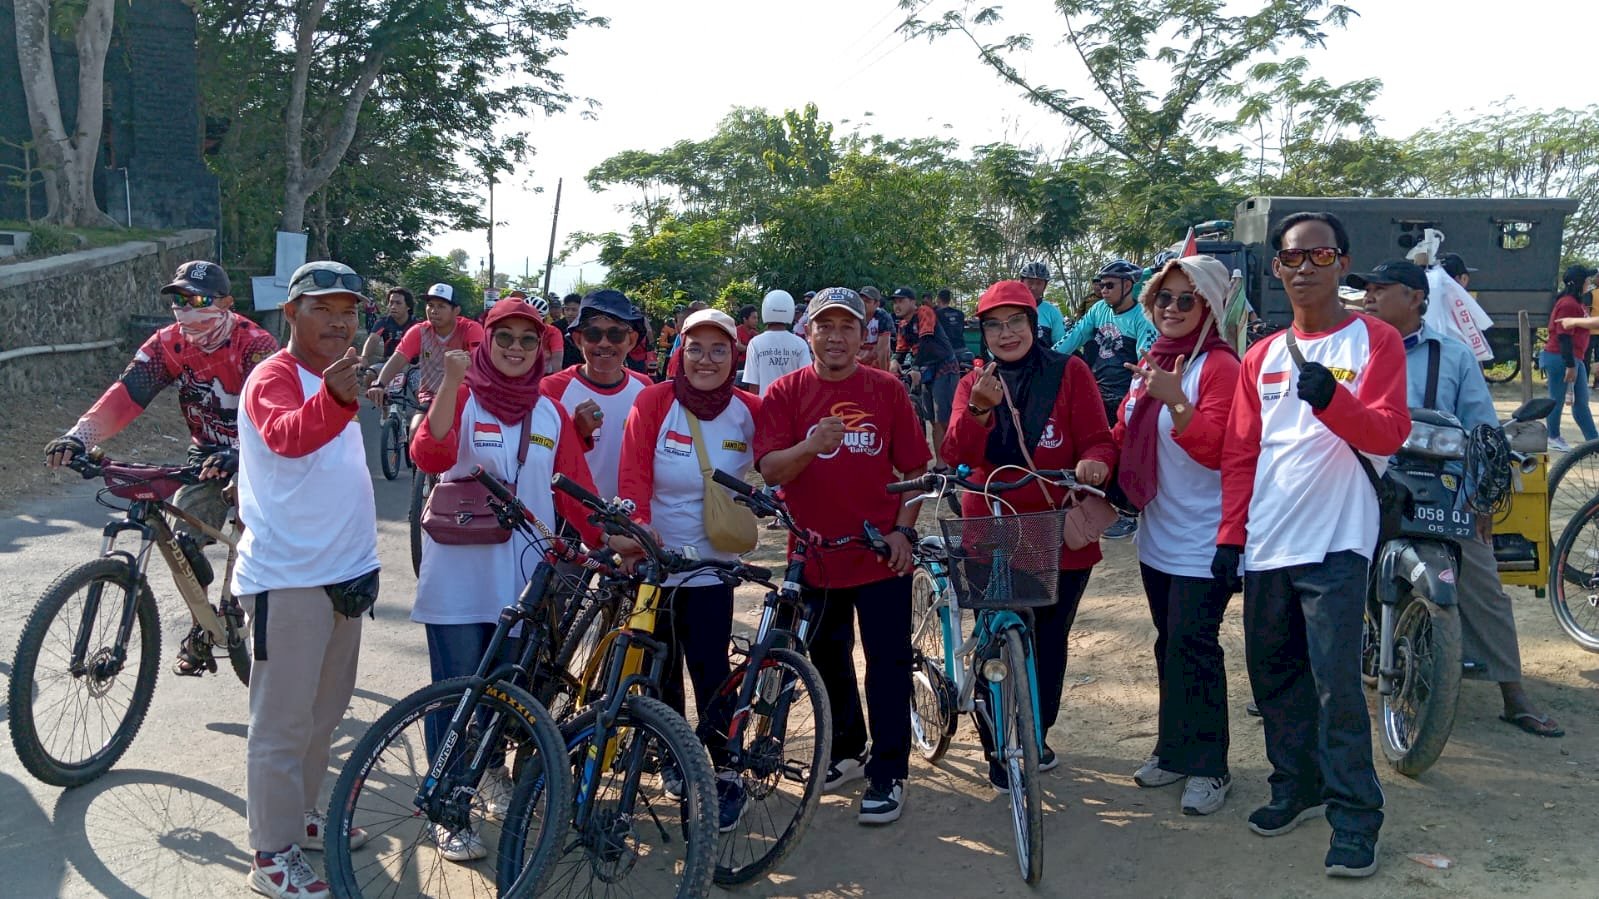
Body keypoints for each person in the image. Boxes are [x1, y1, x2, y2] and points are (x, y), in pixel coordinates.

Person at [1214, 211, 1409, 879]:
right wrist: (1228, 537)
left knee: (1335, 688)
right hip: (1267, 541)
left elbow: (1386, 434)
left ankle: (1355, 816)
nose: (1302, 267)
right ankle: (1294, 784)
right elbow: (1241, 453)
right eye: (1290, 258)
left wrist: (1333, 402)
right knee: (1274, 679)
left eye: (1317, 256)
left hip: (1335, 542)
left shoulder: (1375, 341)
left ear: (1340, 262)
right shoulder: (1259, 357)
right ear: (1275, 269)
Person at [407, 301, 600, 860]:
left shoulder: (550, 413)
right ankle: (445, 807)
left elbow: (573, 491)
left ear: (541, 348)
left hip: (522, 582)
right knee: (455, 695)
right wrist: (449, 381)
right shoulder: (463, 395)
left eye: (526, 340)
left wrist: (613, 539)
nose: (515, 349)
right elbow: (430, 452)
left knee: (500, 697)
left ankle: (485, 777)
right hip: (458, 578)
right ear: (485, 341)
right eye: (504, 338)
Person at [1359, 259, 1564, 738]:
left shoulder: (1452, 355)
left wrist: (1478, 500)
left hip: (1438, 488)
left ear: (1415, 298)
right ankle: (1301, 680)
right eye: (1365, 289)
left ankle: (1514, 695)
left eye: (1381, 288)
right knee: (1322, 573)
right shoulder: (1352, 348)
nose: (1369, 296)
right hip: (1364, 485)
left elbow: (1483, 431)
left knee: (1481, 581)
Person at [45, 260, 279, 677]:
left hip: (261, 451)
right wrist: (79, 438)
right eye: (179, 300)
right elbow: (128, 395)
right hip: (205, 455)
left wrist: (246, 452)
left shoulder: (256, 344)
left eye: (200, 299)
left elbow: (275, 410)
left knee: (257, 541)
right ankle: (202, 630)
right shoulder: (169, 343)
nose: (187, 309)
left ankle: (256, 609)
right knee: (183, 546)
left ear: (227, 302)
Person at [754, 287, 930, 826]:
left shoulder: (886, 390)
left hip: (879, 555)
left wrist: (903, 533)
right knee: (827, 660)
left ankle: (889, 770)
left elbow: (916, 475)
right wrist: (811, 444)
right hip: (814, 556)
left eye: (847, 327)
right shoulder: (785, 393)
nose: (835, 337)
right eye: (824, 326)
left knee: (888, 663)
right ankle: (850, 749)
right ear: (807, 333)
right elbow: (772, 471)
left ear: (864, 335)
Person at [233, 261, 379, 899]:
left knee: (324, 715)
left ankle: (303, 818)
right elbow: (288, 438)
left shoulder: (334, 377)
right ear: (290, 314)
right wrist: (339, 399)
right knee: (282, 723)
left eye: (347, 309)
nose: (338, 320)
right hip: (289, 581)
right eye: (322, 307)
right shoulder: (275, 377)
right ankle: (271, 851)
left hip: (345, 576)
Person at [941, 280, 1117, 787]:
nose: (1006, 333)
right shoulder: (972, 381)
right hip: (990, 525)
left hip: (1056, 526)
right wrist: (978, 408)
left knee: (1049, 639)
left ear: (1033, 324)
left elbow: (1099, 441)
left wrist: (1094, 464)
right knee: (996, 640)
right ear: (982, 333)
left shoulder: (1070, 372)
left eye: (1016, 321)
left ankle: (1036, 731)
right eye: (994, 324)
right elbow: (956, 454)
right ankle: (999, 738)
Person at [615, 308, 762, 831]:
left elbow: (781, 463)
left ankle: (722, 771)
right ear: (680, 352)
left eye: (718, 349)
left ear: (734, 356)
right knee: (658, 670)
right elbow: (632, 475)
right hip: (654, 568)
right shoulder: (655, 401)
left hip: (711, 569)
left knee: (710, 671)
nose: (706, 359)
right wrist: (638, 529)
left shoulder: (749, 410)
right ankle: (676, 758)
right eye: (695, 348)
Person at [1109, 256, 1242, 815]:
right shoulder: (1152, 361)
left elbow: (1219, 448)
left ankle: (1211, 766)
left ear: (1209, 306)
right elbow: (1124, 433)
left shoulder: (1219, 367)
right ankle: (1173, 750)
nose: (1172, 308)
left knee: (1195, 645)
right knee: (1170, 644)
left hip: (1205, 539)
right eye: (1164, 298)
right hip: (1158, 536)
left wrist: (1177, 399)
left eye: (1187, 299)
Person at [542, 289, 653, 502]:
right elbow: (539, 460)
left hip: (631, 516)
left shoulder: (645, 389)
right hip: (569, 519)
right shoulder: (551, 390)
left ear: (631, 340)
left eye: (615, 335)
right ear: (577, 339)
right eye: (593, 334)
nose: (604, 343)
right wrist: (576, 434)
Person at [1054, 259, 1160, 428]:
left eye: (1109, 285)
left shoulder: (1143, 317)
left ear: (1127, 286)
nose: (1103, 290)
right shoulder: (1098, 308)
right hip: (1096, 391)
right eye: (1101, 285)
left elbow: (1146, 362)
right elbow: (1074, 336)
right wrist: (1047, 358)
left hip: (1124, 396)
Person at [365, 282, 485, 409]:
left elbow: (481, 364)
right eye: (430, 305)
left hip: (464, 397)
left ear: (456, 311)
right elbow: (398, 358)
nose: (434, 311)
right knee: (415, 428)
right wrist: (379, 385)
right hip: (430, 396)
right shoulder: (419, 330)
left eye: (441, 306)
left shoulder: (471, 329)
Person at [893, 286, 960, 470]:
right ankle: (941, 464)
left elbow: (927, 343)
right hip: (925, 369)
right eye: (895, 302)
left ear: (913, 302)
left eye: (902, 301)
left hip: (944, 366)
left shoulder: (924, 312)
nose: (897, 306)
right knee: (932, 419)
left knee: (942, 419)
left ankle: (953, 460)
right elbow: (900, 350)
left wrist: (915, 367)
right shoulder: (903, 325)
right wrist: (893, 362)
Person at [1542, 264, 1599, 450]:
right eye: (1588, 280)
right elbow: (1563, 335)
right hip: (1561, 357)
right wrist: (1570, 364)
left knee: (1581, 403)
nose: (1590, 282)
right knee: (1556, 398)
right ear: (1580, 282)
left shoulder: (1577, 302)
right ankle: (1553, 436)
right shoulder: (1567, 303)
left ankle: (1594, 442)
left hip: (1576, 357)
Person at [742, 289, 812, 396]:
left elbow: (753, 384)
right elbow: (806, 381)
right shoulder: (800, 344)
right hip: (793, 408)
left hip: (765, 406)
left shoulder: (755, 343)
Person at [361, 287, 417, 363]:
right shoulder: (383, 322)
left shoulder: (416, 325)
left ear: (408, 306)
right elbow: (373, 339)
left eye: (398, 303)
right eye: (391, 302)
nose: (393, 307)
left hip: (412, 365)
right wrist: (364, 358)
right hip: (388, 363)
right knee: (370, 373)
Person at [1017, 261, 1067, 346]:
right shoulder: (1009, 307)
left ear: (1045, 286)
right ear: (1021, 282)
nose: (1034, 287)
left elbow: (1060, 345)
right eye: (1030, 282)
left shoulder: (1053, 312)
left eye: (1039, 283)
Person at [857, 286, 896, 370]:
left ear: (877, 304)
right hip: (858, 353)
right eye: (861, 301)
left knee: (883, 350)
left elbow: (883, 350)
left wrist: (884, 374)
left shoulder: (883, 317)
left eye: (867, 301)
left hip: (875, 352)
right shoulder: (854, 315)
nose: (863, 304)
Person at [934, 288, 968, 358]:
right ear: (949, 300)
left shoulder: (936, 314)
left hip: (946, 351)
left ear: (938, 299)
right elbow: (961, 330)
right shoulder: (960, 313)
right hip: (962, 348)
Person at [558, 293, 585, 368]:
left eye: (574, 310)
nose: (570, 313)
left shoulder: (587, 328)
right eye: (567, 309)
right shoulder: (556, 327)